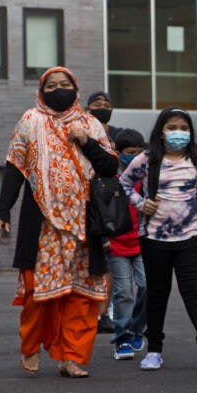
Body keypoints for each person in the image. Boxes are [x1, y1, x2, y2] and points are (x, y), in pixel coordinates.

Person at [0, 66, 118, 378]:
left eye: (65, 84)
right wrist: (1, 213)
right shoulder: (30, 121)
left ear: (75, 88)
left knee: (81, 295)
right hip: (43, 224)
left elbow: (110, 167)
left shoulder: (90, 123)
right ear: (41, 90)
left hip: (84, 226)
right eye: (52, 84)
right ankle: (32, 347)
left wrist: (87, 141)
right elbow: (15, 169)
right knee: (38, 292)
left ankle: (71, 358)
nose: (59, 88)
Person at [120, 106, 197, 371]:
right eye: (172, 127)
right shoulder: (147, 159)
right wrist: (141, 203)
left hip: (190, 236)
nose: (178, 133)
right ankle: (154, 350)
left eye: (184, 128)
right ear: (161, 132)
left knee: (194, 291)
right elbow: (124, 183)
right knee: (157, 294)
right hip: (154, 238)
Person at [108, 129, 148, 360]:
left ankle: (135, 328)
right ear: (118, 153)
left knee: (147, 285)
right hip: (116, 246)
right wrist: (104, 239)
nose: (134, 157)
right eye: (129, 153)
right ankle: (122, 339)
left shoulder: (146, 178)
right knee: (123, 293)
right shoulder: (109, 180)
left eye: (138, 153)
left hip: (142, 242)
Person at [85, 90, 119, 332]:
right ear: (87, 108)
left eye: (106, 104)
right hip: (85, 201)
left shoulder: (116, 135)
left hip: (109, 201)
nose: (102, 107)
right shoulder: (79, 131)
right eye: (97, 104)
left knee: (108, 265)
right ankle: (86, 310)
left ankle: (103, 313)